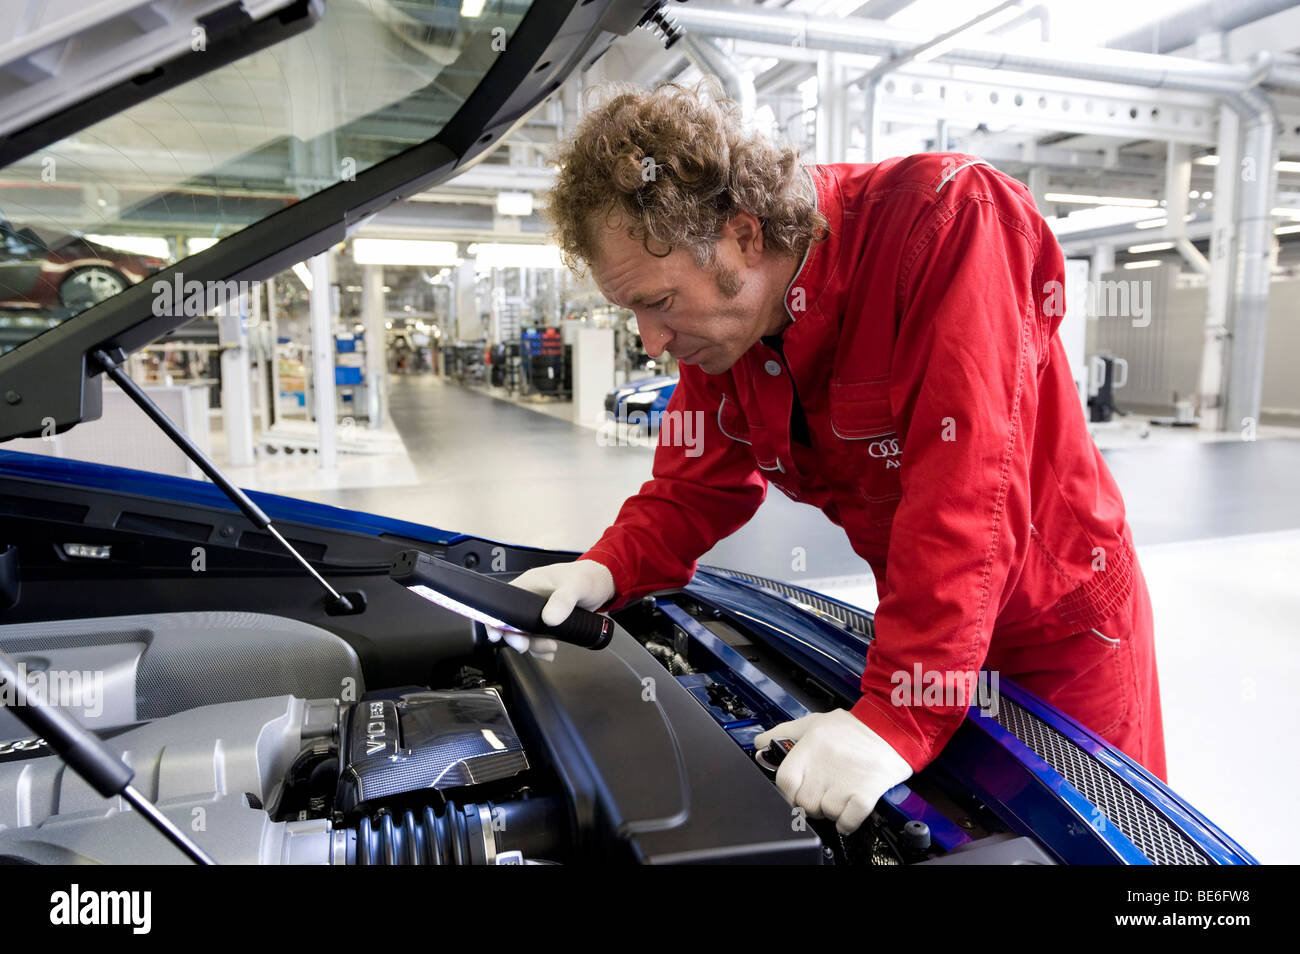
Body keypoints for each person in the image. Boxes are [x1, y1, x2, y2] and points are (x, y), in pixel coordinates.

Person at [491, 81, 1166, 835]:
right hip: (924, 625)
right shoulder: (729, 329)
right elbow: (689, 490)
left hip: (1057, 633)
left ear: (744, 237)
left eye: (659, 302)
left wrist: (900, 713)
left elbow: (969, 494)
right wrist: (605, 568)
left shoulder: (948, 222)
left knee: (1089, 841)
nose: (651, 341)